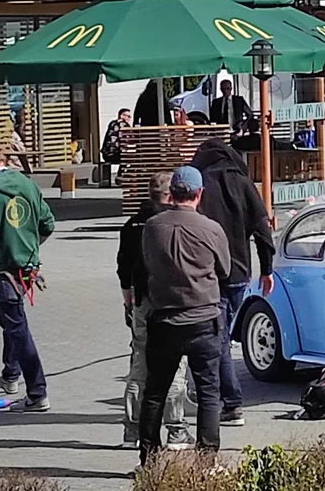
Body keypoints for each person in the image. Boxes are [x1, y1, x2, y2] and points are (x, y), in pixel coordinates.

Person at [139, 166, 231, 466]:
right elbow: (225, 270)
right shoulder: (211, 229)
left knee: (155, 392)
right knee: (208, 392)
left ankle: (149, 458)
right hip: (203, 318)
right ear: (199, 194)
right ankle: (207, 461)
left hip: (164, 319)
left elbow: (147, 263)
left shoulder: (152, 227)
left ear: (173, 193)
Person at [191, 139, 275, 427]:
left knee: (220, 339)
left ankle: (231, 402)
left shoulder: (201, 183)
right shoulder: (241, 181)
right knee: (220, 336)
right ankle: (224, 401)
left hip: (209, 273)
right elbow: (263, 228)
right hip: (240, 274)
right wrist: (267, 269)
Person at [0, 139, 55, 412]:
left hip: (4, 267)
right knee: (11, 319)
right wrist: (29, 245)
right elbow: (48, 223)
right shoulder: (26, 183)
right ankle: (10, 376)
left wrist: (2, 237)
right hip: (29, 267)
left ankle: (37, 392)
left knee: (17, 328)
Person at [118, 172, 193, 451]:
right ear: (170, 194)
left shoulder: (132, 224)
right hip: (171, 301)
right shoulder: (171, 224)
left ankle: (132, 429)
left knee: (139, 363)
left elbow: (123, 270)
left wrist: (129, 303)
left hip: (142, 300)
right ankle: (175, 429)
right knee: (174, 364)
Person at [9, 108, 33, 174]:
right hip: (17, 171)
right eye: (24, 123)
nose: (26, 127)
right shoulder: (12, 137)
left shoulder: (15, 136)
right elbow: (22, 154)